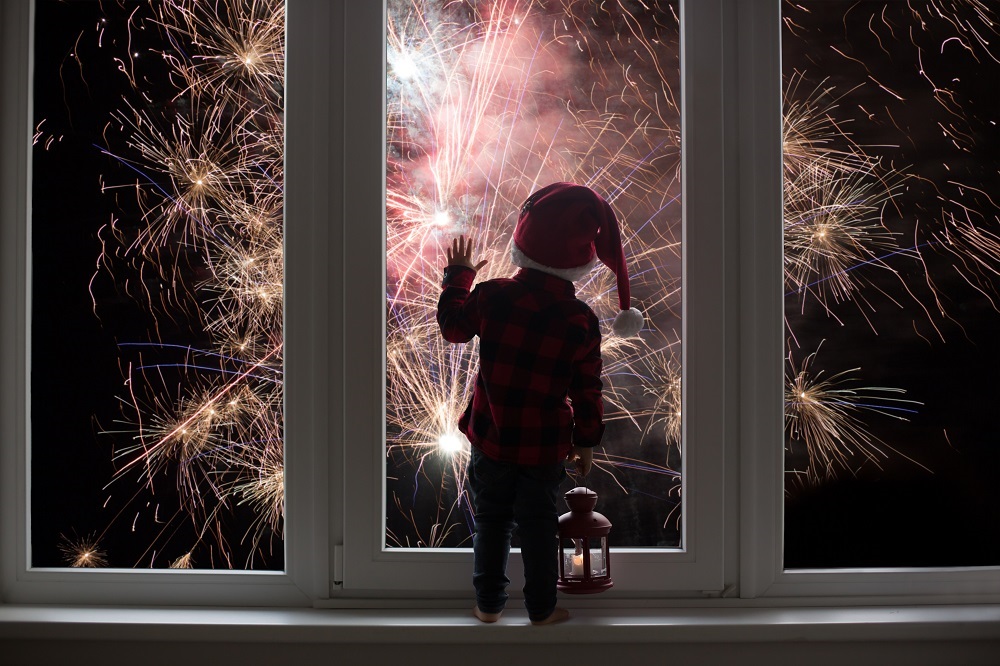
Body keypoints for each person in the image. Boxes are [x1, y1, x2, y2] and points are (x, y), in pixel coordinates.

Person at [436, 182, 643, 626]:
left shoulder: (491, 295)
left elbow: (453, 328)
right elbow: (588, 390)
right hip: (546, 447)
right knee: (538, 524)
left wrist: (458, 276)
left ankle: (488, 605)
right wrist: (586, 441)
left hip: (490, 437)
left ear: (521, 242)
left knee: (492, 521)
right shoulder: (580, 320)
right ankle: (541, 609)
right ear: (580, 259)